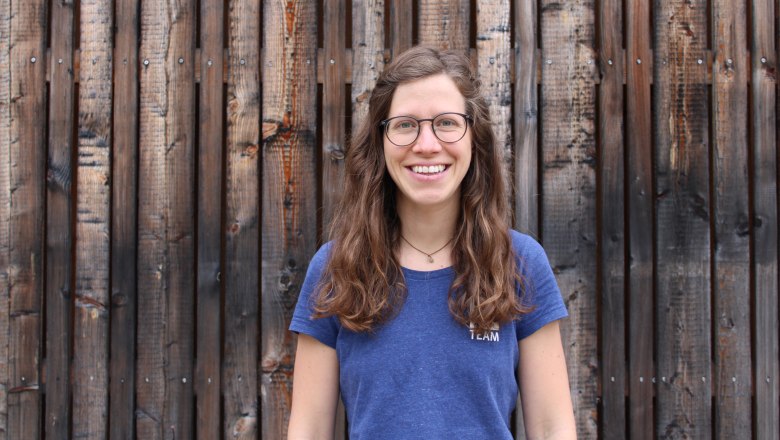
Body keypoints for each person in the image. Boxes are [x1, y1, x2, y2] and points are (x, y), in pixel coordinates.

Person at [287, 46, 576, 440]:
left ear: (475, 137)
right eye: (406, 124)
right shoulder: (336, 267)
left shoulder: (520, 262)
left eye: (446, 122)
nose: (426, 144)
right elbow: (309, 429)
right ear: (381, 140)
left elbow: (551, 428)